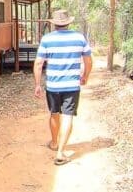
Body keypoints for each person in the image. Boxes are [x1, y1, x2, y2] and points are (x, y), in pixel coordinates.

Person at [33, 9, 93, 165]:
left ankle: (54, 143)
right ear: (68, 23)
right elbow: (88, 61)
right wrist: (85, 76)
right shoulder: (79, 38)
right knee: (67, 116)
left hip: (53, 85)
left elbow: (39, 63)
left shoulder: (47, 39)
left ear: (54, 24)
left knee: (54, 113)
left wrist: (37, 85)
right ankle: (60, 152)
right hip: (72, 85)